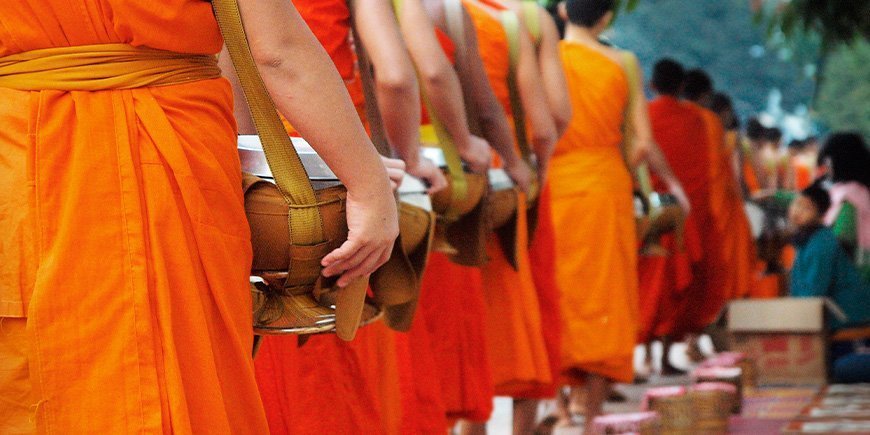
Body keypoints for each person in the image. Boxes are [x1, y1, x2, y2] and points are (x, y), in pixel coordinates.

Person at [0, 0, 399, 433]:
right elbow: (277, 52)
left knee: (36, 367)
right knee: (180, 364)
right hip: (168, 157)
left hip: (19, 159)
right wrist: (370, 188)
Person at [551, 1, 687, 430]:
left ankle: (558, 405)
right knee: (603, 293)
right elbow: (642, 143)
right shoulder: (622, 61)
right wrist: (618, 167)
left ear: (562, 10)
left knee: (556, 289)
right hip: (605, 183)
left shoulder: (546, 56)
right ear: (607, 17)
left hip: (556, 181)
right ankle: (590, 411)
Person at [647, 58, 712, 367]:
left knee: (649, 283)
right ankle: (664, 357)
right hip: (688, 212)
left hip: (651, 210)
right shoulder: (697, 120)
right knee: (676, 285)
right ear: (682, 86)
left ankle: (647, 355)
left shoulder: (644, 116)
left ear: (651, 85)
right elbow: (702, 171)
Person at [788, 184, 870, 383]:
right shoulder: (806, 241)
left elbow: (813, 294)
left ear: (820, 214)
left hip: (849, 323)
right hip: (834, 323)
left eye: (806, 208)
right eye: (796, 205)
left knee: (840, 371)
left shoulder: (821, 244)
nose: (798, 212)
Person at [817, 132, 870, 282]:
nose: (826, 167)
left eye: (828, 161)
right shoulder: (860, 190)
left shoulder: (849, 196)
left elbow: (842, 239)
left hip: (855, 280)